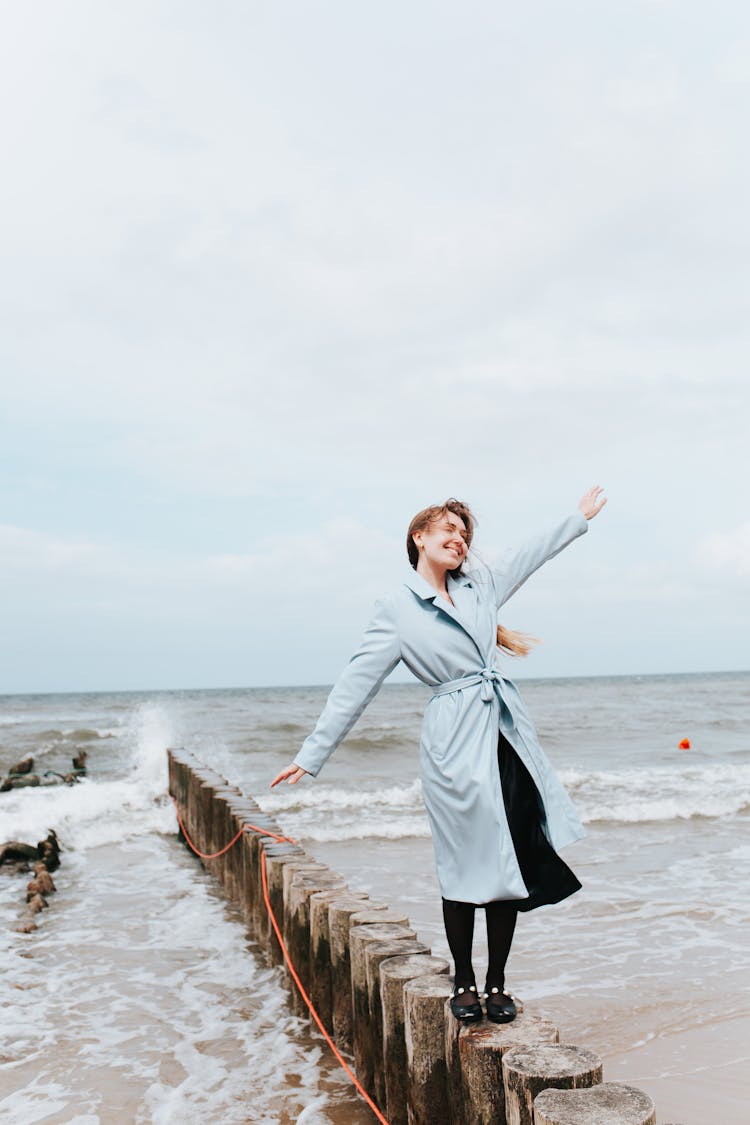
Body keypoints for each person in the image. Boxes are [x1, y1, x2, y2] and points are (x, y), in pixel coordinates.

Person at [271, 486, 607, 1023]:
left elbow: (530, 552)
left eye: (464, 532)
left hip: (500, 733)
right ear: (418, 537)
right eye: (447, 529)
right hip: (452, 743)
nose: (459, 537)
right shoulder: (396, 610)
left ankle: (497, 984)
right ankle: (464, 982)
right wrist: (313, 754)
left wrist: (576, 518)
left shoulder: (482, 585)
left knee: (508, 861)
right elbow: (357, 683)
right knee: (462, 863)